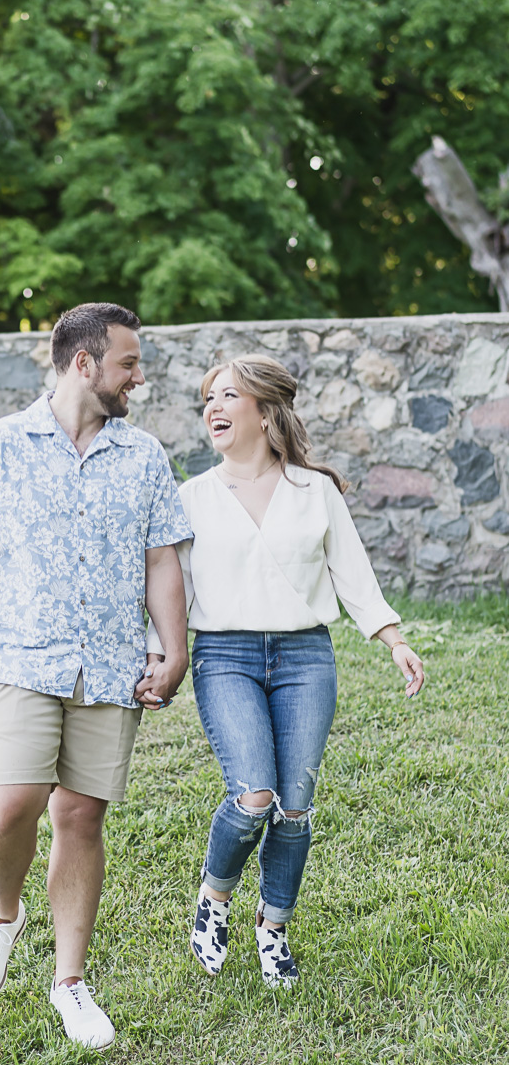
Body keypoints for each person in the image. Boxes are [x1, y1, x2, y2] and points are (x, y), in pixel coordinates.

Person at [0, 302, 192, 1048]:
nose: (138, 378)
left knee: (80, 817)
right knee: (12, 804)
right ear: (84, 364)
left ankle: (70, 982)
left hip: (111, 666)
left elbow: (161, 562)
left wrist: (172, 649)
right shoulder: (1, 446)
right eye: (128, 364)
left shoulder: (143, 457)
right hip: (18, 654)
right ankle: (2, 916)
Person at [146, 353, 426, 988]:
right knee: (253, 797)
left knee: (294, 807)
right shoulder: (191, 497)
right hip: (225, 657)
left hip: (305, 658)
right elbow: (170, 587)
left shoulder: (313, 490)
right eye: (208, 398)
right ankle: (213, 901)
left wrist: (393, 639)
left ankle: (273, 929)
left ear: (264, 411)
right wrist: (158, 653)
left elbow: (352, 573)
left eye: (227, 396)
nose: (213, 408)